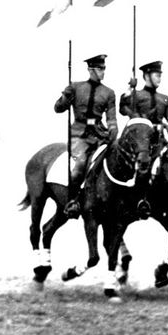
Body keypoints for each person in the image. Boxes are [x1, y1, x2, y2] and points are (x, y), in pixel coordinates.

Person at [53, 54, 118, 217]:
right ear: (90, 69)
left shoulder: (109, 93)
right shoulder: (75, 87)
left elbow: (111, 118)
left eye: (104, 68)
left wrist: (113, 131)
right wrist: (65, 97)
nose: (103, 72)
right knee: (80, 165)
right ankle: (73, 201)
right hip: (79, 135)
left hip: (99, 135)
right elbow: (58, 108)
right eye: (99, 69)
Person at [120, 60, 168, 139]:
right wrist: (129, 90)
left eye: (160, 76)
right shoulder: (136, 95)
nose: (159, 78)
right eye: (157, 75)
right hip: (139, 139)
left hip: (159, 140)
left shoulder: (164, 99)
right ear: (146, 76)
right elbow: (123, 110)